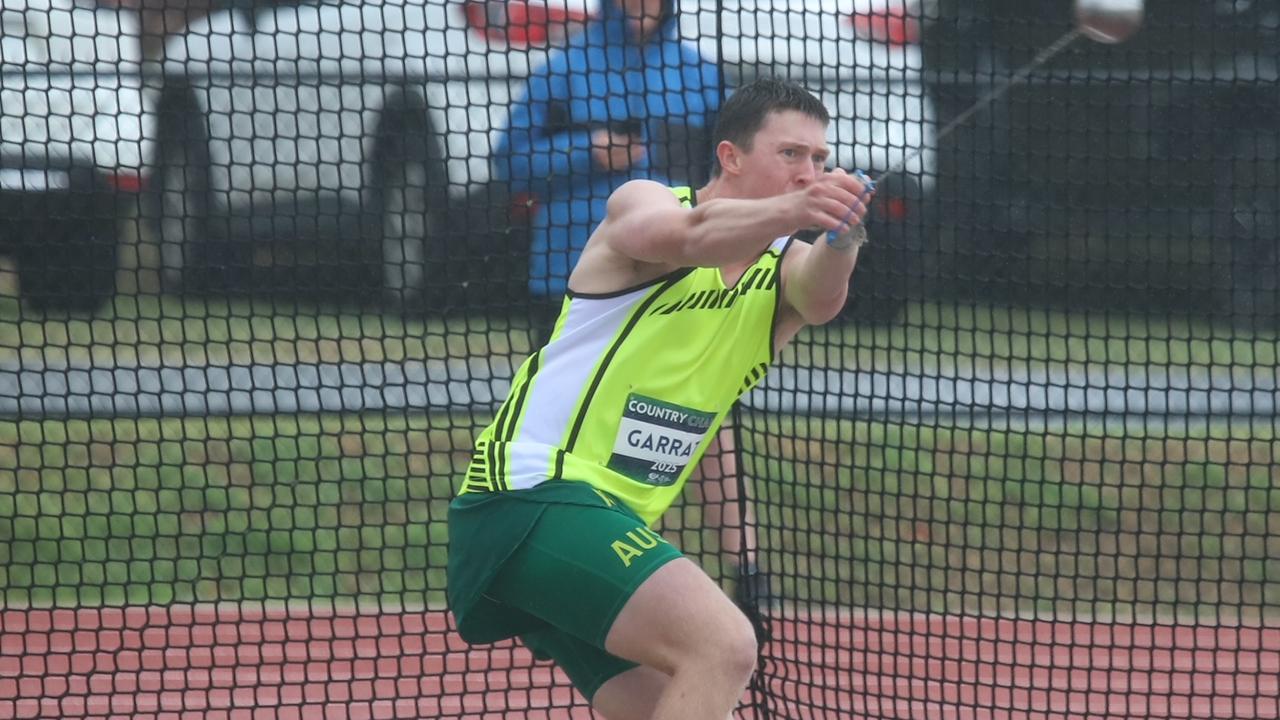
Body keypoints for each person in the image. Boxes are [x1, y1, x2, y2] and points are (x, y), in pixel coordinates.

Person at [447, 77, 876, 720]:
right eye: (791, 154)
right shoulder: (645, 200)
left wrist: (843, 237)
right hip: (534, 496)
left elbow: (820, 296)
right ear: (731, 156)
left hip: (602, 524)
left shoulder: (781, 271)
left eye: (819, 160)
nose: (809, 172)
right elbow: (692, 236)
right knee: (724, 646)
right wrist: (797, 211)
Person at [491, 0, 767, 603]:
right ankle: (573, 561)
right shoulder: (565, 69)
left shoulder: (701, 75)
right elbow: (509, 162)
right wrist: (585, 152)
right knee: (577, 429)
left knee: (701, 420)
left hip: (682, 288)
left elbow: (730, 175)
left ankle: (748, 575)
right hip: (572, 283)